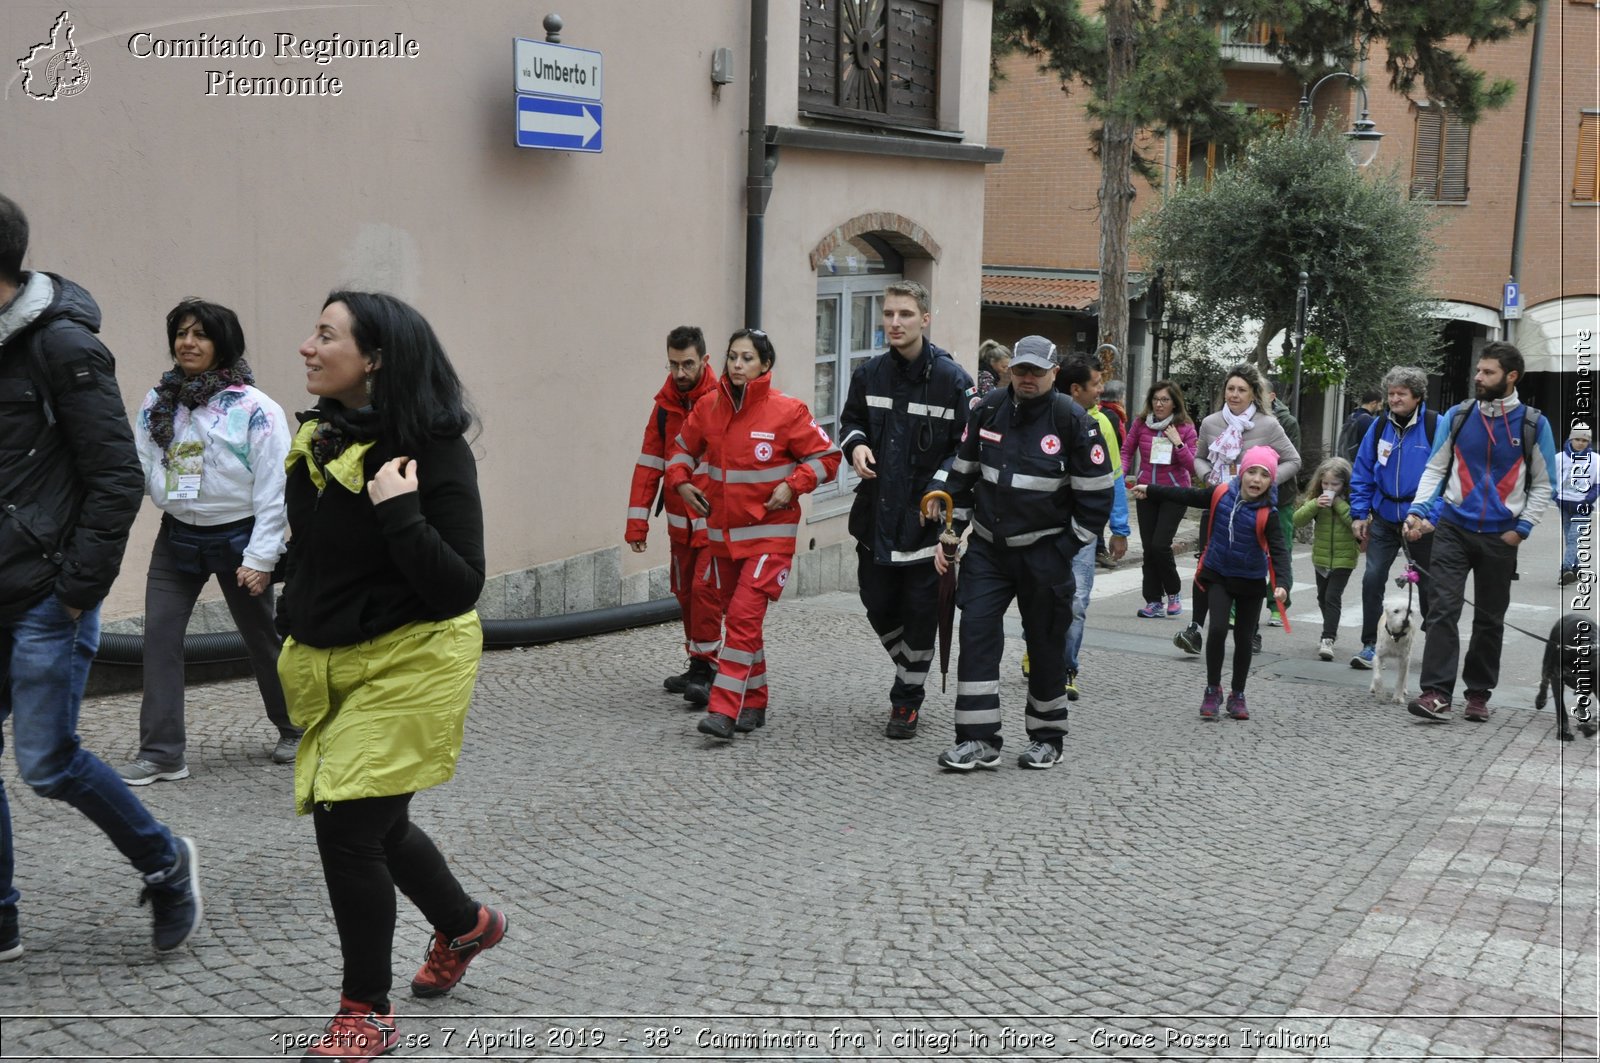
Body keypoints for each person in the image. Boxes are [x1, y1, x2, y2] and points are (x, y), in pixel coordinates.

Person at [279, 291, 504, 1059]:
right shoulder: (321, 434)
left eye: (325, 334)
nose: (307, 346)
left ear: (373, 359)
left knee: (348, 822)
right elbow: (320, 547)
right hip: (337, 656)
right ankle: (467, 923)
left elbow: (459, 583)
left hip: (416, 655)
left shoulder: (435, 449)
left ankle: (364, 1012)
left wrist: (401, 512)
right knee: (381, 823)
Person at [0, 193, 201, 962]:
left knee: (47, 761)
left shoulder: (60, 347)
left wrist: (74, 590)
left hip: (47, 594)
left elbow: (117, 478)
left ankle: (165, 862)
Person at [121, 298, 298, 784]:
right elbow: (144, 460)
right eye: (181, 333)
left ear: (222, 343)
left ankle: (296, 727)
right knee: (159, 637)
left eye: (200, 334)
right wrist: (163, 492)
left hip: (239, 537)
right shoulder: (160, 401)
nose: (188, 343)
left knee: (262, 637)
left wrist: (262, 556)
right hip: (177, 537)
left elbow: (274, 488)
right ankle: (161, 753)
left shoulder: (255, 409)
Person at [923, 335, 1114, 771]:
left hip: (1045, 553)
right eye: (1021, 369)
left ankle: (1047, 737)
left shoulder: (1074, 421)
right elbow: (963, 478)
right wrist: (951, 534)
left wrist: (1065, 549)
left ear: (1053, 374)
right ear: (1011, 369)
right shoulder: (987, 408)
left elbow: (1097, 498)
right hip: (989, 551)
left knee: (1046, 646)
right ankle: (977, 740)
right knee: (976, 637)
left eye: (1037, 371)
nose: (1027, 378)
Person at [666, 329, 840, 741]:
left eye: (747, 358)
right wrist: (681, 483)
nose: (738, 365)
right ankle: (756, 701)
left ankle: (725, 711)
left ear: (765, 365)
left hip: (770, 539)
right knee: (743, 624)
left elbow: (827, 458)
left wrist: (793, 484)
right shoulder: (708, 407)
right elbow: (679, 451)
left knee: (742, 619)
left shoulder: (788, 411)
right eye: (732, 357)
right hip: (723, 539)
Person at [838, 280, 973, 738]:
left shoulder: (952, 381)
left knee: (920, 614)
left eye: (905, 315)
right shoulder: (868, 373)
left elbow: (967, 449)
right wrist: (854, 447)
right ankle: (910, 669)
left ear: (925, 320)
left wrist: (939, 487)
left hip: (925, 524)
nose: (895, 323)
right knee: (877, 603)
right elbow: (851, 421)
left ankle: (906, 701)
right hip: (876, 519)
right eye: (889, 314)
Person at [1404, 342, 1557, 724]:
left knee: (1489, 620)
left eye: (1487, 372)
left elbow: (1544, 484)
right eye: (1477, 370)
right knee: (1442, 610)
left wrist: (1522, 529)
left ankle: (1477, 694)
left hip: (1501, 536)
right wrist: (1418, 509)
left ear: (1511, 377)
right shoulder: (1457, 416)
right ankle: (1436, 693)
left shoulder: (1534, 424)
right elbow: (1436, 469)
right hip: (1453, 528)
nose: (1478, 377)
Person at [1133, 445, 1291, 721]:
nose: (1256, 479)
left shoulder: (1270, 513)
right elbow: (1187, 495)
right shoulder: (1220, 494)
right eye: (1251, 472)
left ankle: (1237, 694)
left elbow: (1279, 551)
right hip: (1218, 573)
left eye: (1264, 475)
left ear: (1270, 481)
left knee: (1244, 638)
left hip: (1250, 581)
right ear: (1241, 473)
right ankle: (1212, 689)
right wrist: (1151, 489)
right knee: (1217, 629)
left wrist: (1284, 583)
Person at [1173, 364, 1300, 656]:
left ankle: (1251, 630)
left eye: (1241, 389)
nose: (1234, 394)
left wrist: (1263, 481)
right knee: (1206, 564)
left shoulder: (1268, 425)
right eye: (1230, 388)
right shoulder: (1211, 422)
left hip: (1252, 510)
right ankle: (1196, 629)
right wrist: (1209, 477)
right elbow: (1199, 458)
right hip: (1219, 502)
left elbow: (1293, 461)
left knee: (1249, 569)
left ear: (1254, 394)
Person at [625, 325, 723, 705]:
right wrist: (637, 522)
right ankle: (698, 662)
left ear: (704, 361)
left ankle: (709, 667)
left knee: (705, 591)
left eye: (688, 364)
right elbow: (649, 464)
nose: (680, 373)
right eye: (673, 365)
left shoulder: (722, 401)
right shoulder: (664, 406)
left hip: (714, 524)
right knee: (685, 593)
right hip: (679, 526)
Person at [1347, 367, 1439, 670]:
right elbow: (1362, 472)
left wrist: (1431, 517)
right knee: (1372, 578)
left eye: (1401, 393)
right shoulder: (1377, 427)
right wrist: (1360, 514)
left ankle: (1433, 644)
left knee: (1428, 587)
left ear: (1417, 396)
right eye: (1391, 394)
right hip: (1384, 517)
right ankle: (1370, 644)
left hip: (1420, 522)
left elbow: (1449, 478)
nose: (1394, 399)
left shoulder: (1435, 426)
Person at [1060, 355, 1128, 701]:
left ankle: (1066, 667)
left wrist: (1120, 528)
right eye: (1097, 384)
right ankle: (1039, 652)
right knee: (1037, 598)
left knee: (1076, 601)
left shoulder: (1102, 425)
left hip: (1082, 533)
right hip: (1040, 528)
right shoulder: (1041, 419)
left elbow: (1114, 478)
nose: (1102, 390)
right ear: (1076, 388)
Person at [1122, 379, 1198, 618]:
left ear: (1174, 403)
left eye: (1165, 399)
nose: (1159, 404)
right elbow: (1127, 451)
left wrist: (1178, 442)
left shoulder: (1185, 427)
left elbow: (1193, 466)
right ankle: (1153, 601)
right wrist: (1119, 478)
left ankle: (1174, 593)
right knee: (1148, 548)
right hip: (1146, 490)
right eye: (1155, 399)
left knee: (1160, 545)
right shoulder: (1141, 423)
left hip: (1175, 492)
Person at [1293, 457, 1359, 661]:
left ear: (1345, 484)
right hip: (1320, 557)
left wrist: (1338, 503)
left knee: (1332, 596)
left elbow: (1355, 522)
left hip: (1344, 558)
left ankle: (1327, 638)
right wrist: (1314, 504)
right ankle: (1331, 628)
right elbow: (1297, 519)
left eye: (1335, 484)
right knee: (1322, 597)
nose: (1329, 487)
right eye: (1325, 483)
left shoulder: (1352, 501)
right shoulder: (1316, 499)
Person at [1265, 378, 1302, 620]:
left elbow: (1292, 459)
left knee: (1281, 551)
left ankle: (1278, 605)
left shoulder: (1287, 422)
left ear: (1272, 396)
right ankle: (1235, 607)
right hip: (1248, 495)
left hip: (1281, 497)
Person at [1554, 422, 1595, 585]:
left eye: (1584, 441)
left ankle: (1566, 568)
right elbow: (1550, 478)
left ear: (1589, 442)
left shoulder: (1595, 460)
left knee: (1573, 537)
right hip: (1564, 504)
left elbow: (1598, 483)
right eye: (1577, 439)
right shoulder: (1559, 458)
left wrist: (1588, 500)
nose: (1580, 443)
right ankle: (1577, 568)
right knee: (1569, 537)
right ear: (1571, 439)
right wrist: (1555, 496)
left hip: (1583, 506)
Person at [1338, 389, 1383, 462]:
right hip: (1357, 464)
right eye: (1380, 405)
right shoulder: (1368, 421)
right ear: (1373, 403)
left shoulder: (1352, 416)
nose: (1380, 409)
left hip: (1345, 460)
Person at [1099, 377, 1128, 448]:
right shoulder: (1112, 417)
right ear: (1118, 398)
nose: (1125, 400)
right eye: (1124, 396)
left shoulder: (1101, 409)